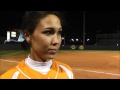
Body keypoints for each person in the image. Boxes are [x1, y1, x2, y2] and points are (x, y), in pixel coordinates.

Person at [0, 11, 74, 79]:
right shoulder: (12, 76)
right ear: (27, 35)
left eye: (59, 32)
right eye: (48, 32)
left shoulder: (67, 71)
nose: (56, 41)